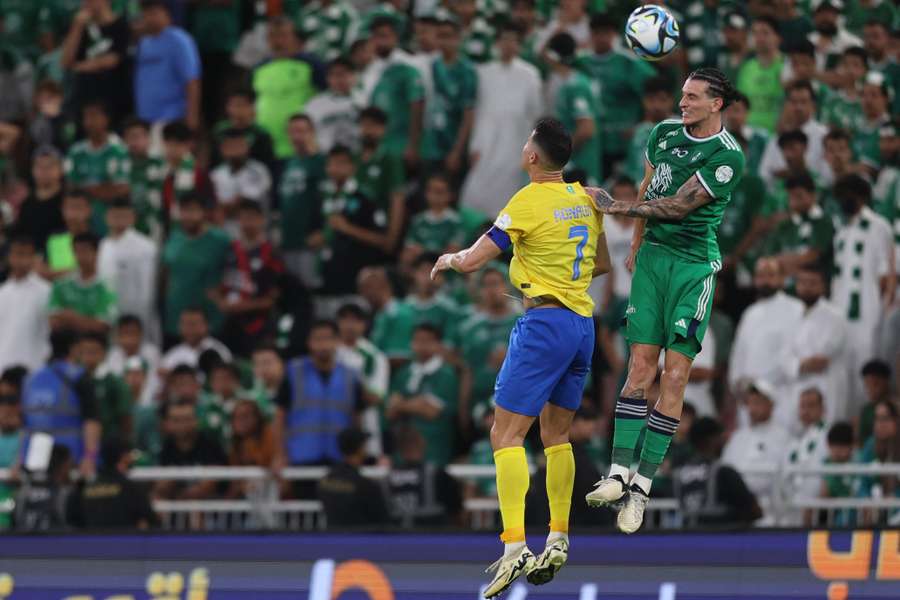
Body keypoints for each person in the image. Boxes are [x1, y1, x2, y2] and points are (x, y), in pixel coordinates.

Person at [431, 117, 610, 595]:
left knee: (505, 434)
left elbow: (473, 259)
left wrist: (449, 260)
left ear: (533, 156)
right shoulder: (585, 199)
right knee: (557, 437)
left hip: (545, 325)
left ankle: (514, 547)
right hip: (581, 326)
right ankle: (557, 537)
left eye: (526, 142)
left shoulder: (527, 200)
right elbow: (605, 265)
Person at [587, 68, 745, 535]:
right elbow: (649, 187)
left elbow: (678, 204)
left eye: (693, 97)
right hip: (653, 260)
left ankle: (642, 489)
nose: (683, 103)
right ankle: (618, 475)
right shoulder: (661, 134)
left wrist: (616, 209)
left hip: (694, 266)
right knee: (639, 368)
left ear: (716, 103)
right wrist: (635, 241)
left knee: (674, 374)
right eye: (683, 95)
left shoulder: (727, 156)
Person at [460, 23, 542, 217]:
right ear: (496, 44)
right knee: (475, 191)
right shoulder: (483, 72)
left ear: (519, 45)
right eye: (504, 40)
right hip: (486, 142)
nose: (508, 45)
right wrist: (474, 146)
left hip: (516, 143)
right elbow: (479, 112)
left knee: (510, 197)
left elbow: (535, 114)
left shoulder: (530, 74)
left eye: (513, 41)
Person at [831, 175, 896, 407]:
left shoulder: (878, 226)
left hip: (869, 311)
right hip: (841, 311)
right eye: (842, 196)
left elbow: (887, 273)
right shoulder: (842, 232)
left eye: (850, 194)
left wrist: (885, 306)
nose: (845, 200)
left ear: (862, 197)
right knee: (843, 372)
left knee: (866, 366)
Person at [273, 320, 363, 469]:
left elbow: (357, 418)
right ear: (309, 342)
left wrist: (357, 453)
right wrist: (279, 454)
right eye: (318, 339)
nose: (323, 345)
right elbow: (279, 417)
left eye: (328, 338)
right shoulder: (293, 372)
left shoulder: (351, 376)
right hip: (301, 457)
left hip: (340, 459)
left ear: (337, 341)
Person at [21, 330, 100, 477]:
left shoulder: (31, 379)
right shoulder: (80, 378)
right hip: (69, 460)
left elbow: (24, 424)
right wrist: (90, 457)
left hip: (33, 458)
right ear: (73, 348)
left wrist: (18, 459)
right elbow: (91, 420)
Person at [212, 200, 284, 356]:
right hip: (230, 324)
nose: (247, 223)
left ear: (262, 220)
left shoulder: (271, 253)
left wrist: (243, 306)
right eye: (243, 218)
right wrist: (221, 302)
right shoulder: (229, 250)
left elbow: (274, 297)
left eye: (252, 218)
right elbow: (217, 284)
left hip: (259, 326)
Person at [728, 257, 805, 403]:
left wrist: (763, 386)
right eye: (761, 276)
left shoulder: (795, 309)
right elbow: (739, 354)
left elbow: (792, 354)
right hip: (748, 398)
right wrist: (739, 384)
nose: (765, 281)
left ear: (782, 278)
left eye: (771, 275)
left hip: (781, 394)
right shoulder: (750, 313)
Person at [159, 194, 231, 343]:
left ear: (204, 212)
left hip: (209, 320)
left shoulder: (220, 240)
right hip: (175, 319)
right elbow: (166, 271)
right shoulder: (174, 237)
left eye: (193, 210)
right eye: (184, 211)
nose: (188, 216)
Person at [386, 323, 459, 467]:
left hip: (435, 450)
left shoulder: (446, 374)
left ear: (438, 344)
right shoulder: (403, 373)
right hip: (402, 451)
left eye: (427, 340)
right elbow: (390, 411)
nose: (421, 345)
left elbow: (432, 411)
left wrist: (402, 405)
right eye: (417, 340)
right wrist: (418, 404)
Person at [253, 16, 324, 159]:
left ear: (294, 38)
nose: (278, 40)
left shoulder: (312, 64)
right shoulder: (259, 68)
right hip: (267, 145)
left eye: (283, 35)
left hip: (300, 146)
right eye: (273, 35)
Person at [673, 416, 762, 527]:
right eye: (720, 436)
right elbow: (755, 511)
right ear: (711, 440)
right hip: (721, 538)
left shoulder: (679, 473)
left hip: (686, 537)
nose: (723, 441)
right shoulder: (724, 473)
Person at [721, 380, 791, 512]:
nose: (752, 409)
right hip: (736, 508)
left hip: (770, 511)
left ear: (771, 404)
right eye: (750, 403)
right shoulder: (738, 437)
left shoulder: (783, 437)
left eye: (758, 403)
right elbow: (726, 468)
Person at [421, 13, 477, 178]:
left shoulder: (466, 71)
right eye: (440, 36)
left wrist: (457, 151)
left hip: (452, 144)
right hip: (430, 146)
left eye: (448, 36)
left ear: (458, 38)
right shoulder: (431, 66)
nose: (443, 41)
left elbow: (468, 114)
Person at [134, 0, 201, 133]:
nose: (150, 18)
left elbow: (192, 80)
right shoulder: (144, 42)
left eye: (154, 13)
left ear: (167, 14)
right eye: (146, 13)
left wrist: (192, 117)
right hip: (145, 117)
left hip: (172, 115)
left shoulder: (179, 40)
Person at [60, 0, 131, 125]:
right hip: (85, 99)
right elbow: (66, 62)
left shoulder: (120, 25)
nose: (88, 3)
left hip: (113, 97)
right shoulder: (80, 28)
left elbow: (112, 59)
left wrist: (80, 66)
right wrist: (77, 26)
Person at [97, 198, 159, 340]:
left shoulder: (145, 247)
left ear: (133, 218)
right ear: (107, 217)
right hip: (108, 316)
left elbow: (147, 292)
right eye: (115, 216)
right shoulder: (103, 245)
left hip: (135, 315)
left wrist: (140, 321)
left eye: (123, 216)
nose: (119, 220)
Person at [64, 101, 130, 234]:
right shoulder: (75, 152)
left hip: (109, 223)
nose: (89, 122)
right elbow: (71, 189)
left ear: (106, 119)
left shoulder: (119, 151)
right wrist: (102, 187)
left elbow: (121, 190)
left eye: (94, 116)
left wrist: (85, 188)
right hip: (81, 224)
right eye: (86, 117)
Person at [544, 32, 600, 186]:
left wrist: (560, 156)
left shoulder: (576, 86)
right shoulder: (562, 82)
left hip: (580, 165)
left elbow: (586, 128)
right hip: (571, 165)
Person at [278, 113, 326, 289]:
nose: (297, 137)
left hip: (311, 241)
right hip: (289, 240)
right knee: (292, 291)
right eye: (292, 132)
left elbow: (328, 200)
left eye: (302, 131)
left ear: (312, 132)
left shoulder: (321, 163)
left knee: (310, 291)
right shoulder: (287, 164)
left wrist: (323, 230)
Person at [66, 436, 156, 529]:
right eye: (130, 453)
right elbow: (152, 524)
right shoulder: (133, 489)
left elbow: (71, 520)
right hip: (124, 542)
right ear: (124, 456)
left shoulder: (82, 489)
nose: (132, 458)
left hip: (90, 542)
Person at [336, 303, 389, 457]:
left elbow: (376, 397)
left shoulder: (374, 357)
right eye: (345, 320)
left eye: (355, 321)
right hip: (333, 424)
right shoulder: (328, 353)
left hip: (365, 426)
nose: (349, 326)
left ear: (364, 325)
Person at [387, 425, 463, 527]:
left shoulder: (385, 481)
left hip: (393, 540)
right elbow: (457, 513)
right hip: (432, 538)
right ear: (422, 443)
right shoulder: (438, 475)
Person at [154, 399, 227, 500]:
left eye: (186, 419)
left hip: (211, 507)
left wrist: (181, 496)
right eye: (176, 420)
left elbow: (209, 485)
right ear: (167, 423)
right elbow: (161, 486)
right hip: (176, 507)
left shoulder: (211, 445)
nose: (182, 425)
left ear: (196, 421)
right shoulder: (165, 448)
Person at [317, 427, 390, 527]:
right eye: (364, 445)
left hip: (333, 538)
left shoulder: (324, 481)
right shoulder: (366, 486)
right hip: (360, 539)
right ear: (360, 448)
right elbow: (383, 522)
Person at [48, 233, 118, 335]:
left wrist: (71, 317)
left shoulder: (107, 286)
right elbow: (53, 322)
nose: (81, 256)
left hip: (96, 345)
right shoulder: (61, 283)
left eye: (85, 250)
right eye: (77, 251)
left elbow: (103, 326)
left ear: (97, 252)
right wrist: (87, 321)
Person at [0, 234, 51, 372]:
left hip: (34, 365)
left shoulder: (46, 291)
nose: (23, 260)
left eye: (28, 255)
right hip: (3, 366)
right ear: (9, 257)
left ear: (35, 258)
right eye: (18, 254)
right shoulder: (3, 292)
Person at [209, 128, 273, 234]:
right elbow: (214, 208)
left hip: (253, 235)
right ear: (222, 149)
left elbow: (246, 203)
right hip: (224, 234)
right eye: (231, 146)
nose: (235, 150)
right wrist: (221, 208)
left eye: (239, 145)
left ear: (247, 147)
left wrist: (224, 208)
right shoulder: (216, 174)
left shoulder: (259, 170)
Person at [781, 387, 829, 525]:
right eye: (802, 406)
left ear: (822, 409)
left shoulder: (829, 437)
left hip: (818, 512)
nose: (806, 411)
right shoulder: (792, 441)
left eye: (811, 406)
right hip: (791, 510)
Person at [76, 332, 132, 445]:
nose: (88, 357)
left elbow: (125, 417)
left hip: (107, 442)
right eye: (84, 352)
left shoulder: (114, 383)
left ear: (104, 354)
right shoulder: (74, 380)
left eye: (93, 352)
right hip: (79, 440)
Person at [735, 16, 784, 133]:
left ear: (778, 38)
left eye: (765, 33)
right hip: (749, 134)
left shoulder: (787, 66)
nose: (759, 38)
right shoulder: (746, 68)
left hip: (777, 135)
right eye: (755, 33)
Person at [121, 118, 166, 241]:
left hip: (156, 225)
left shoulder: (161, 165)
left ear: (149, 138)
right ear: (124, 140)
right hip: (128, 226)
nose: (135, 142)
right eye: (131, 137)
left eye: (139, 136)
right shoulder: (120, 166)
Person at [210, 89, 276, 170]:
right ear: (227, 107)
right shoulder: (220, 131)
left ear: (251, 107)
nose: (237, 109)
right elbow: (213, 160)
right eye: (233, 105)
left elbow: (267, 163)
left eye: (241, 105)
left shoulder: (261, 133)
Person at [16, 147, 66, 255]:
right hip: (30, 260)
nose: (44, 171)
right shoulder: (26, 203)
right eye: (39, 166)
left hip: (61, 260)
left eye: (50, 166)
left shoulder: (67, 200)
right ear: (32, 170)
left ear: (61, 169)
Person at [304, 58, 359, 153]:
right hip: (325, 159)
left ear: (354, 76)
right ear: (328, 78)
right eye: (334, 75)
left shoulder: (365, 100)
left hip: (356, 158)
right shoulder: (315, 104)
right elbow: (304, 133)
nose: (339, 79)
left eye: (343, 74)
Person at [160, 308, 232, 373]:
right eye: (185, 324)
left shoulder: (219, 351)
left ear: (206, 326)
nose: (189, 329)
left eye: (193, 324)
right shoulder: (172, 355)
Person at [856, 359, 894, 444]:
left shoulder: (896, 407)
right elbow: (861, 441)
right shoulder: (866, 411)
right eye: (867, 385)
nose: (870, 389)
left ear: (886, 382)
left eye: (875, 384)